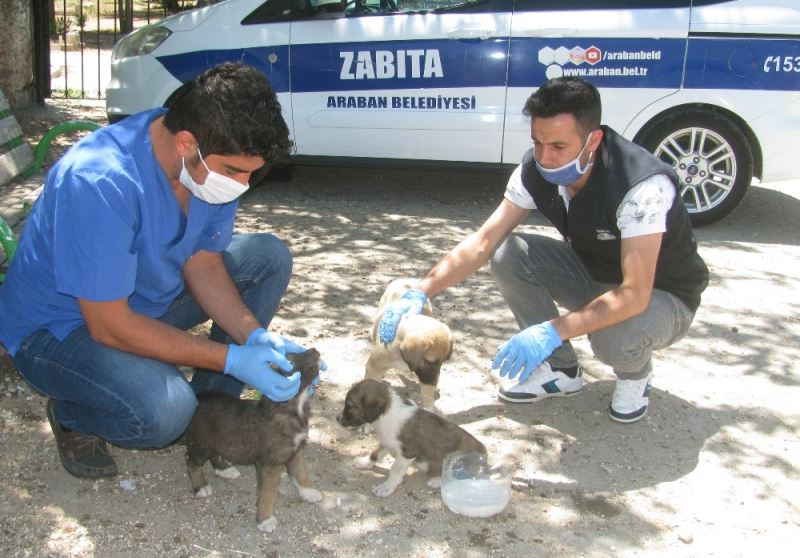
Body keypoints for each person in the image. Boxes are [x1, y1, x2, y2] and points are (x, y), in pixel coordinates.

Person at [0, 62, 321, 479]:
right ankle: (72, 414)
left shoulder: (204, 162)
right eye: (234, 171)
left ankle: (208, 417)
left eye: (250, 173)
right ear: (187, 143)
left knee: (267, 256)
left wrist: (253, 337)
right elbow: (109, 326)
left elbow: (203, 262)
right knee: (163, 412)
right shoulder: (100, 181)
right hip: (61, 330)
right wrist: (231, 359)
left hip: (137, 301)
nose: (242, 184)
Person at [379, 77, 708, 424]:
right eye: (537, 142)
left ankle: (635, 374)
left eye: (558, 146)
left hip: (661, 295)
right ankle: (561, 369)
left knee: (613, 338)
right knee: (509, 252)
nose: (545, 158)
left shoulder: (640, 185)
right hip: (595, 277)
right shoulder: (533, 170)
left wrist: (553, 330)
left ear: (593, 140)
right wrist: (420, 291)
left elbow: (635, 294)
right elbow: (483, 242)